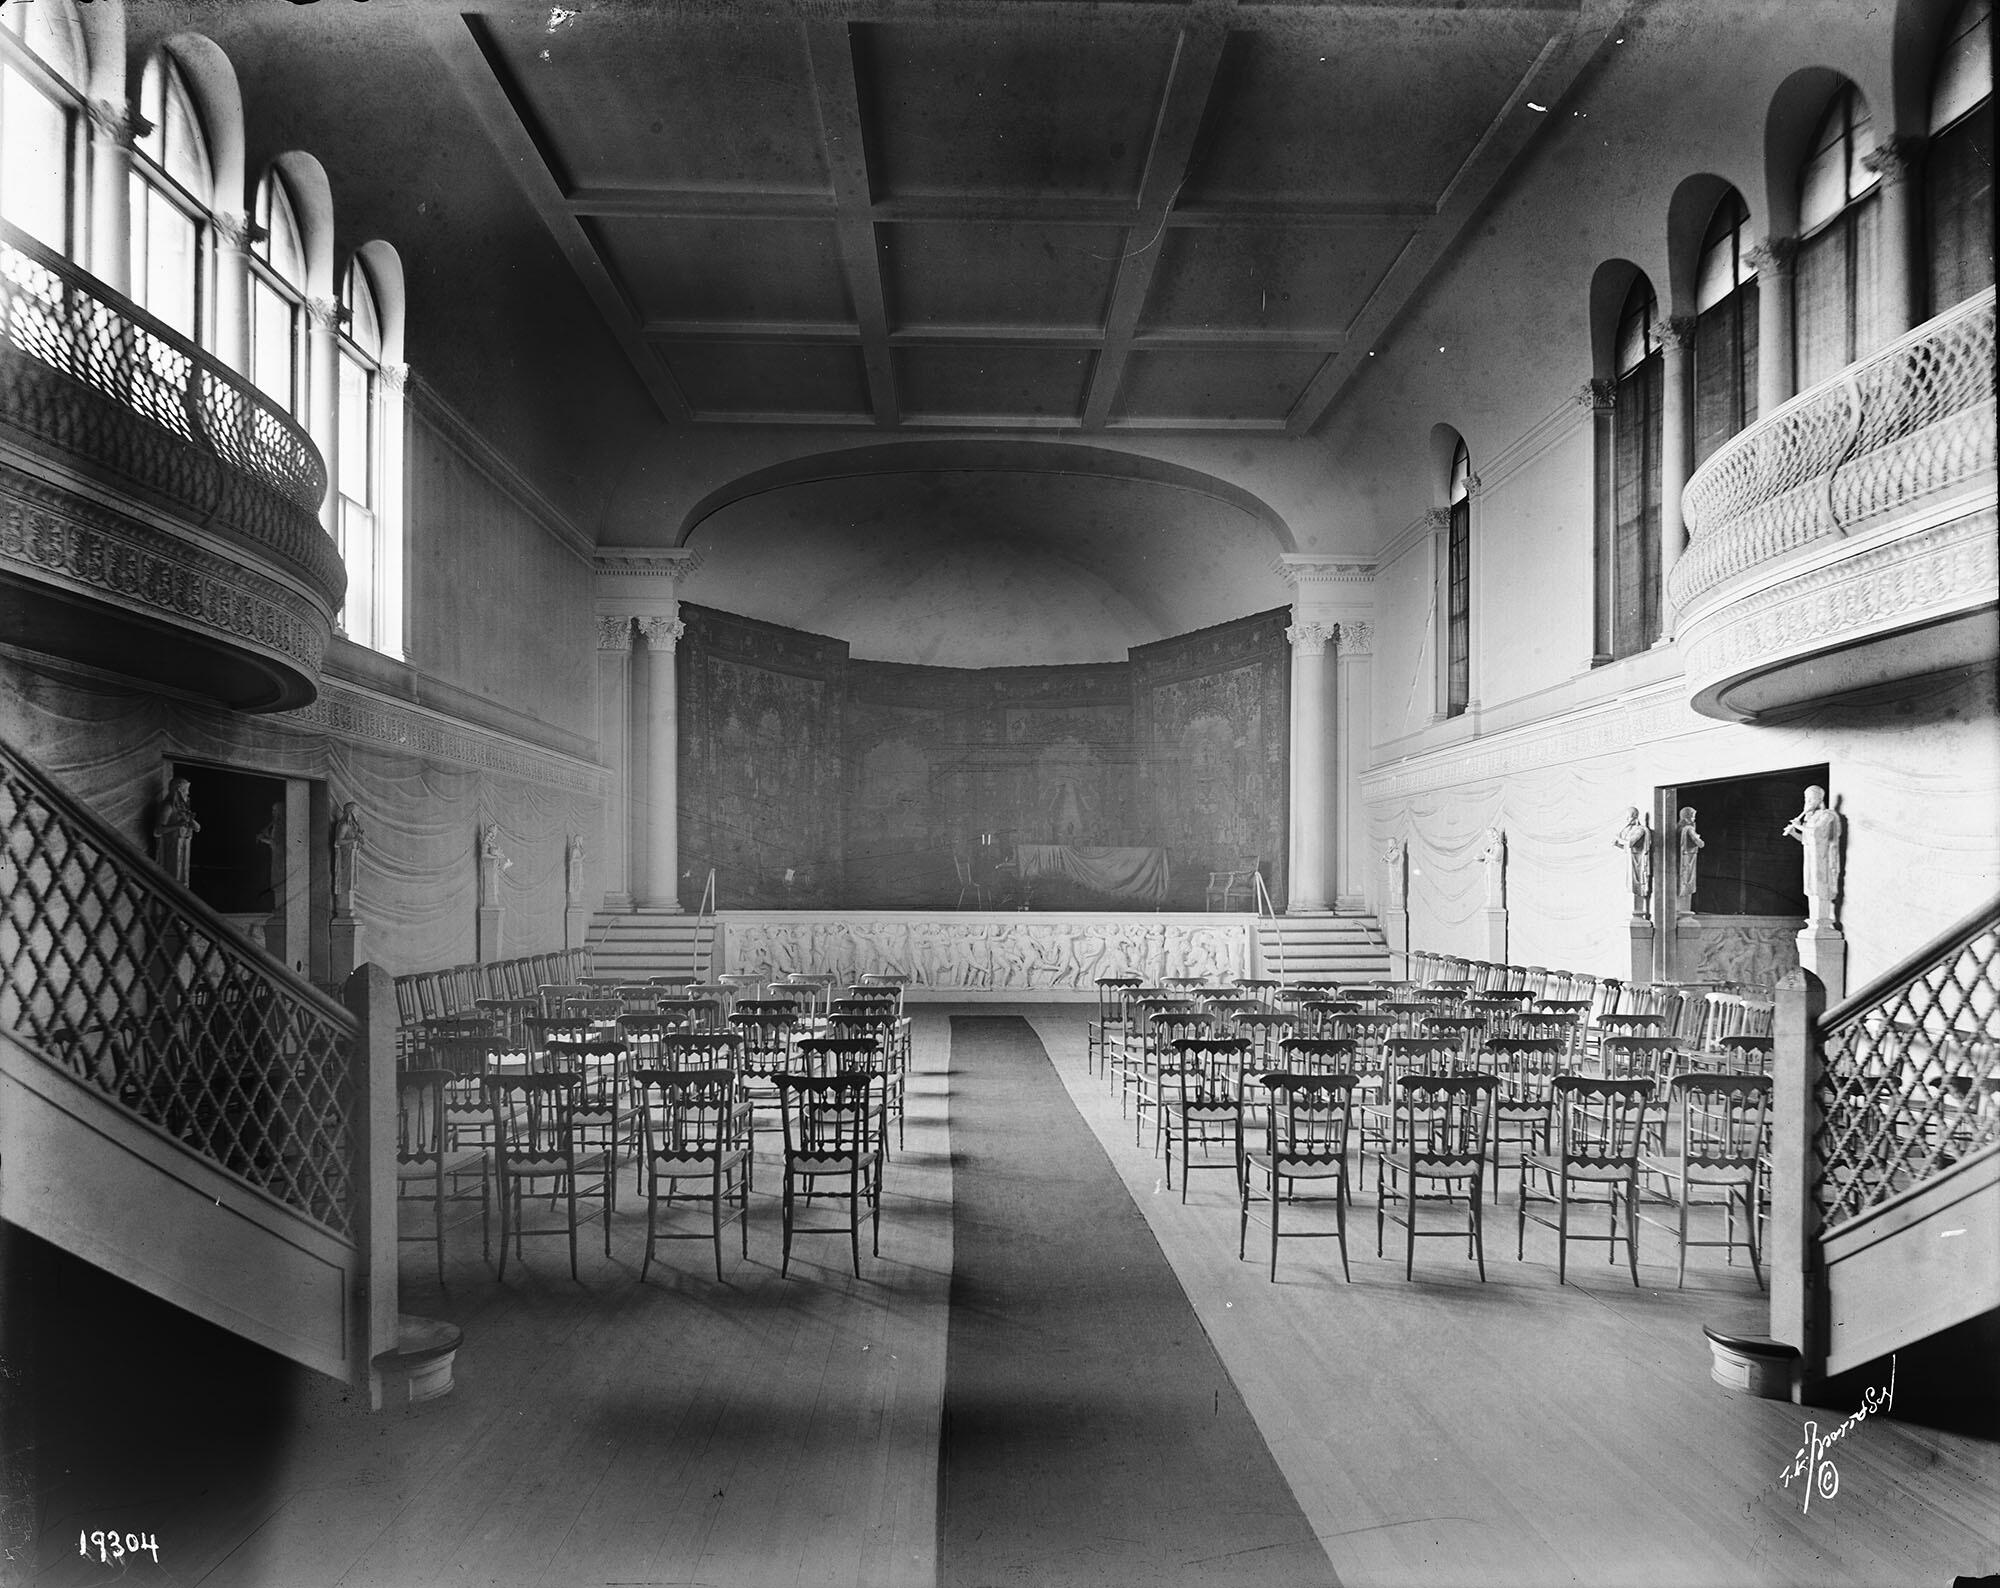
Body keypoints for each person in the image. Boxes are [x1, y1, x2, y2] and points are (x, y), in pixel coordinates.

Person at [1782, 785, 1843, 925]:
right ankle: (1814, 920)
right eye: (1806, 798)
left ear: (1819, 799)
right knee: (1811, 887)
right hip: (1810, 858)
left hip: (1822, 859)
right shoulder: (1811, 817)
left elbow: (1816, 833)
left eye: (1810, 798)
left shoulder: (1827, 815)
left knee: (1819, 887)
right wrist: (1793, 832)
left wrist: (1798, 825)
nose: (1807, 801)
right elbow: (1806, 839)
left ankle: (1822, 920)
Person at [153, 778, 199, 886]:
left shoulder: (182, 808)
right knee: (171, 879)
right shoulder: (168, 807)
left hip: (183, 848)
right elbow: (158, 830)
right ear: (177, 791)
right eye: (185, 790)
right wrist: (178, 825)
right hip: (170, 848)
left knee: (182, 877)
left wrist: (193, 824)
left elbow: (197, 827)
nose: (187, 794)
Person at [1613, 807, 1652, 915]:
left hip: (1637, 862)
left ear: (1634, 816)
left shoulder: (1640, 829)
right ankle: (1634, 912)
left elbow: (1631, 843)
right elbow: (1626, 846)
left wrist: (1619, 838)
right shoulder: (1629, 830)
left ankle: (1638, 912)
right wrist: (1617, 843)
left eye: (1629, 816)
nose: (1627, 819)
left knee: (1636, 885)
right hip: (1630, 860)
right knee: (1629, 885)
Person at [1676, 807, 1704, 906]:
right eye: (1692, 817)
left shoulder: (1678, 828)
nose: (1694, 819)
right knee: (1687, 882)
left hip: (1683, 858)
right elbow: (1700, 843)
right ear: (1686, 817)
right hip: (1688, 859)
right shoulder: (1689, 829)